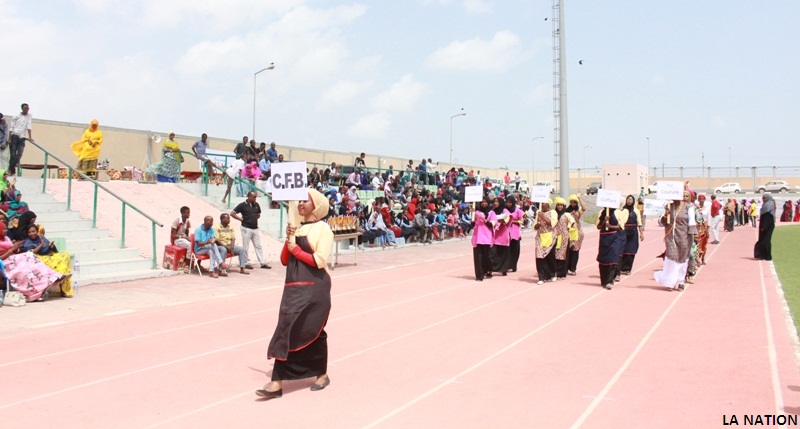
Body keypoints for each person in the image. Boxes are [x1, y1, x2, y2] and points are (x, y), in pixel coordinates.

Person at [257, 189, 333, 399]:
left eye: (305, 201)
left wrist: (296, 249)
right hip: (293, 288)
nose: (300, 204)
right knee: (286, 329)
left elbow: (319, 260)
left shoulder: (323, 229)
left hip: (315, 289)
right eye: (299, 200)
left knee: (314, 331)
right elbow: (284, 260)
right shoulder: (297, 228)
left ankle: (318, 375)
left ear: (316, 206)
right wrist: (289, 238)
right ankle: (280, 381)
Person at [0, 222, 69, 302]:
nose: (6, 230)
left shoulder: (6, 239)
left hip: (14, 258)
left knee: (32, 261)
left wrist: (14, 245)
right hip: (5, 262)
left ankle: (52, 278)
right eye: (4, 229)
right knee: (25, 269)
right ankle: (35, 292)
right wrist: (12, 249)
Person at [20, 223, 74, 297]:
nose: (31, 234)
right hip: (38, 259)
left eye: (33, 231)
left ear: (37, 231)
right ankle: (60, 279)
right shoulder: (27, 242)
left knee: (65, 255)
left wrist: (52, 247)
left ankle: (62, 277)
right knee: (56, 265)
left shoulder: (42, 238)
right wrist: (41, 245)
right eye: (29, 232)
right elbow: (29, 254)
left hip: (49, 257)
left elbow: (54, 251)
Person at [654, 192, 693, 291]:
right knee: (671, 258)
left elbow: (692, 222)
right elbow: (662, 222)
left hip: (684, 236)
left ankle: (680, 281)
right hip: (670, 237)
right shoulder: (668, 207)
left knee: (682, 259)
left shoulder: (689, 207)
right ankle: (670, 282)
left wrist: (694, 235)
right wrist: (665, 216)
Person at [231, 191, 272, 269]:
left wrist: (253, 218)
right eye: (254, 197)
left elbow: (258, 214)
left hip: (255, 228)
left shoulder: (256, 205)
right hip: (246, 228)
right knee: (246, 246)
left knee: (258, 246)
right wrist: (241, 219)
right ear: (249, 197)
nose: (255, 198)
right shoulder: (242, 205)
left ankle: (262, 262)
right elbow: (232, 213)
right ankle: (246, 262)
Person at [596, 207, 626, 289]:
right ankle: (604, 280)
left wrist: (610, 226)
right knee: (603, 259)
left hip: (614, 238)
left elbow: (621, 227)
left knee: (613, 258)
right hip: (604, 239)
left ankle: (609, 280)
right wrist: (604, 221)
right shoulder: (602, 212)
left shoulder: (618, 213)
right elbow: (598, 226)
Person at [618, 195, 644, 276]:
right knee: (623, 250)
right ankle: (621, 268)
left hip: (633, 232)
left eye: (631, 200)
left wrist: (641, 234)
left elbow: (639, 223)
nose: (629, 201)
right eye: (628, 199)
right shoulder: (622, 210)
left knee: (631, 251)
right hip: (624, 231)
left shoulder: (636, 211)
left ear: (633, 201)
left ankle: (628, 269)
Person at [471, 197, 496, 281]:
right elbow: (472, 224)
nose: (484, 203)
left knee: (488, 256)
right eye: (482, 202)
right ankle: (479, 275)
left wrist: (483, 219)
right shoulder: (476, 212)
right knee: (478, 257)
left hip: (487, 238)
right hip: (478, 237)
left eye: (485, 202)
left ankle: (488, 270)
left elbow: (491, 225)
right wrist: (472, 215)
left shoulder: (492, 213)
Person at [534, 200, 557, 285]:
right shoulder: (538, 213)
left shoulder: (553, 212)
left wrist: (542, 217)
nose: (542, 204)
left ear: (548, 205)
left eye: (544, 203)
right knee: (539, 257)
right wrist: (537, 224)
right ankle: (541, 277)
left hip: (550, 237)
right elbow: (535, 226)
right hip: (540, 237)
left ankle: (552, 274)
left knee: (550, 257)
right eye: (541, 203)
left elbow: (552, 223)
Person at [8, 103, 33, 175]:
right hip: (14, 135)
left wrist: (30, 137)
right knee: (13, 155)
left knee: (19, 154)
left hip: (22, 137)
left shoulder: (29, 116)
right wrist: (9, 138)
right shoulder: (16, 116)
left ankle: (10, 169)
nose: (27, 110)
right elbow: (11, 127)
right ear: (22, 109)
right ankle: (12, 170)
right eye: (25, 108)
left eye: (28, 108)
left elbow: (29, 126)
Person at [490, 197, 511, 275]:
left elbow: (507, 219)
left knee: (503, 252)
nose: (495, 203)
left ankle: (503, 269)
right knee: (493, 252)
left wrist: (502, 220)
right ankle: (492, 269)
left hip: (503, 233)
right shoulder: (492, 211)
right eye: (494, 201)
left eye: (497, 201)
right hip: (494, 234)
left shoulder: (505, 211)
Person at [552, 197, 571, 279]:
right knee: (555, 254)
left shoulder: (567, 214)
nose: (560, 207)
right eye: (558, 205)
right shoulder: (553, 214)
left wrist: (567, 228)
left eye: (561, 205)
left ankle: (562, 273)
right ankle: (554, 271)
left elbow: (572, 223)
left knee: (562, 255)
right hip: (555, 236)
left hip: (564, 237)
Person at [754, 194, 776, 261]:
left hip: (767, 225)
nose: (763, 199)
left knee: (765, 240)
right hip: (764, 224)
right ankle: (763, 255)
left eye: (764, 198)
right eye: (762, 198)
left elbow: (767, 217)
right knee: (763, 240)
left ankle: (765, 255)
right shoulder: (765, 204)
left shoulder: (768, 205)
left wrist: (764, 227)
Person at [506, 196, 524, 273]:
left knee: (515, 250)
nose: (508, 204)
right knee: (507, 250)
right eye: (507, 202)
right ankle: (506, 265)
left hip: (515, 232)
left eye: (510, 202)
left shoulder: (518, 210)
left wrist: (513, 221)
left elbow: (521, 221)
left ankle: (513, 265)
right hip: (506, 232)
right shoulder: (504, 210)